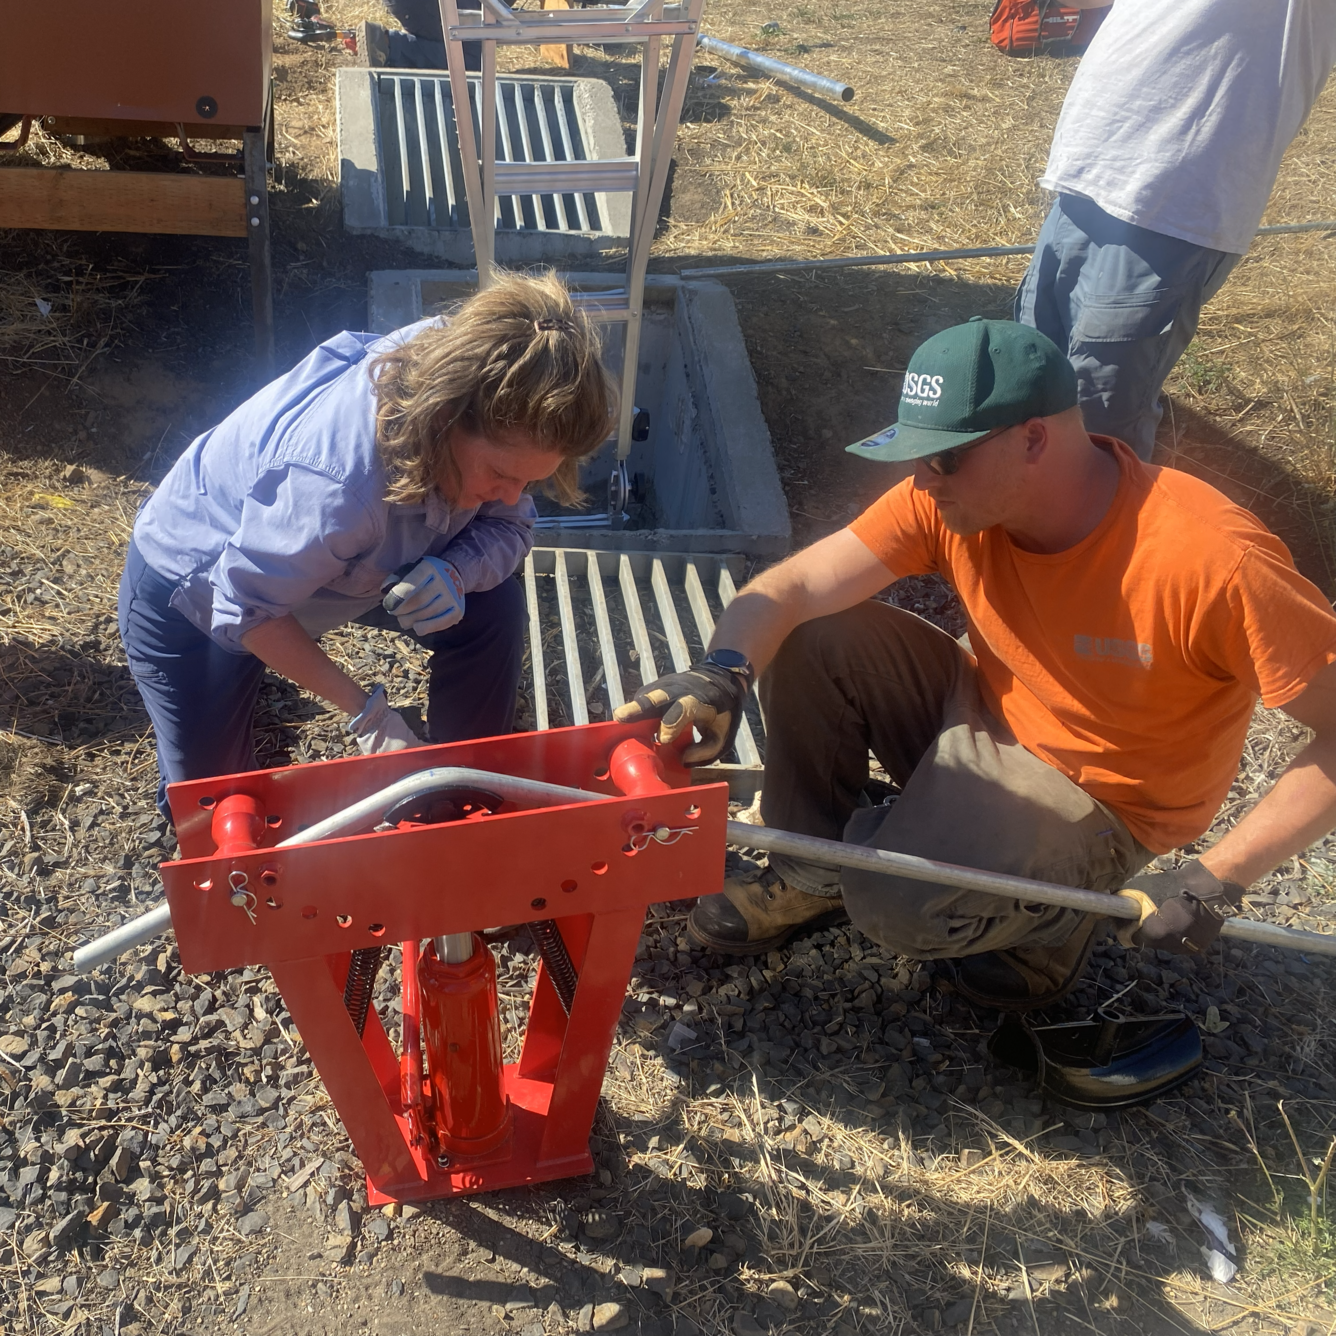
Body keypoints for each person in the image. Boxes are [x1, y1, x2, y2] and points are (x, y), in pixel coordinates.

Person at [615, 319, 1336, 1011]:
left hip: (1105, 796)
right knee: (813, 632)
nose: (924, 478)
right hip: (985, 709)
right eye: (918, 456)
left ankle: (1050, 929)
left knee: (895, 902)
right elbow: (793, 586)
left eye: (945, 457)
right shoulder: (954, 498)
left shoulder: (1209, 560)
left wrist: (1219, 877)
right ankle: (815, 869)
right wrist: (722, 673)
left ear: (1031, 439)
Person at [120, 272, 614, 820]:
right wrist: (370, 716)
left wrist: (455, 570)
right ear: (444, 419)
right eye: (500, 474)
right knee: (213, 811)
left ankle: (463, 788)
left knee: (492, 603)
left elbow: (512, 525)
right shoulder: (338, 483)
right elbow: (248, 607)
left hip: (335, 561)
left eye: (531, 481)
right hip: (198, 592)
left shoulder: (496, 379)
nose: (512, 496)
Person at [1015, 0, 1336, 461]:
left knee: (1101, 416)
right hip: (1087, 173)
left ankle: (1102, 529)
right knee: (1033, 372)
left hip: (1172, 202)